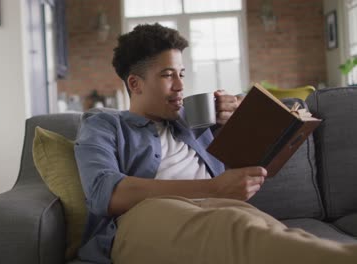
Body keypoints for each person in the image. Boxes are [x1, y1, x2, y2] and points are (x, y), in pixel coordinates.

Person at [74, 23, 357, 264]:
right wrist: (214, 187)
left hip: (217, 207)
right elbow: (104, 193)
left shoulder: (193, 119)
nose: (180, 86)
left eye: (181, 74)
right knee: (236, 229)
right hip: (143, 216)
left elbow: (252, 133)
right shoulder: (104, 124)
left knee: (269, 233)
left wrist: (235, 109)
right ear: (135, 84)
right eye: (167, 75)